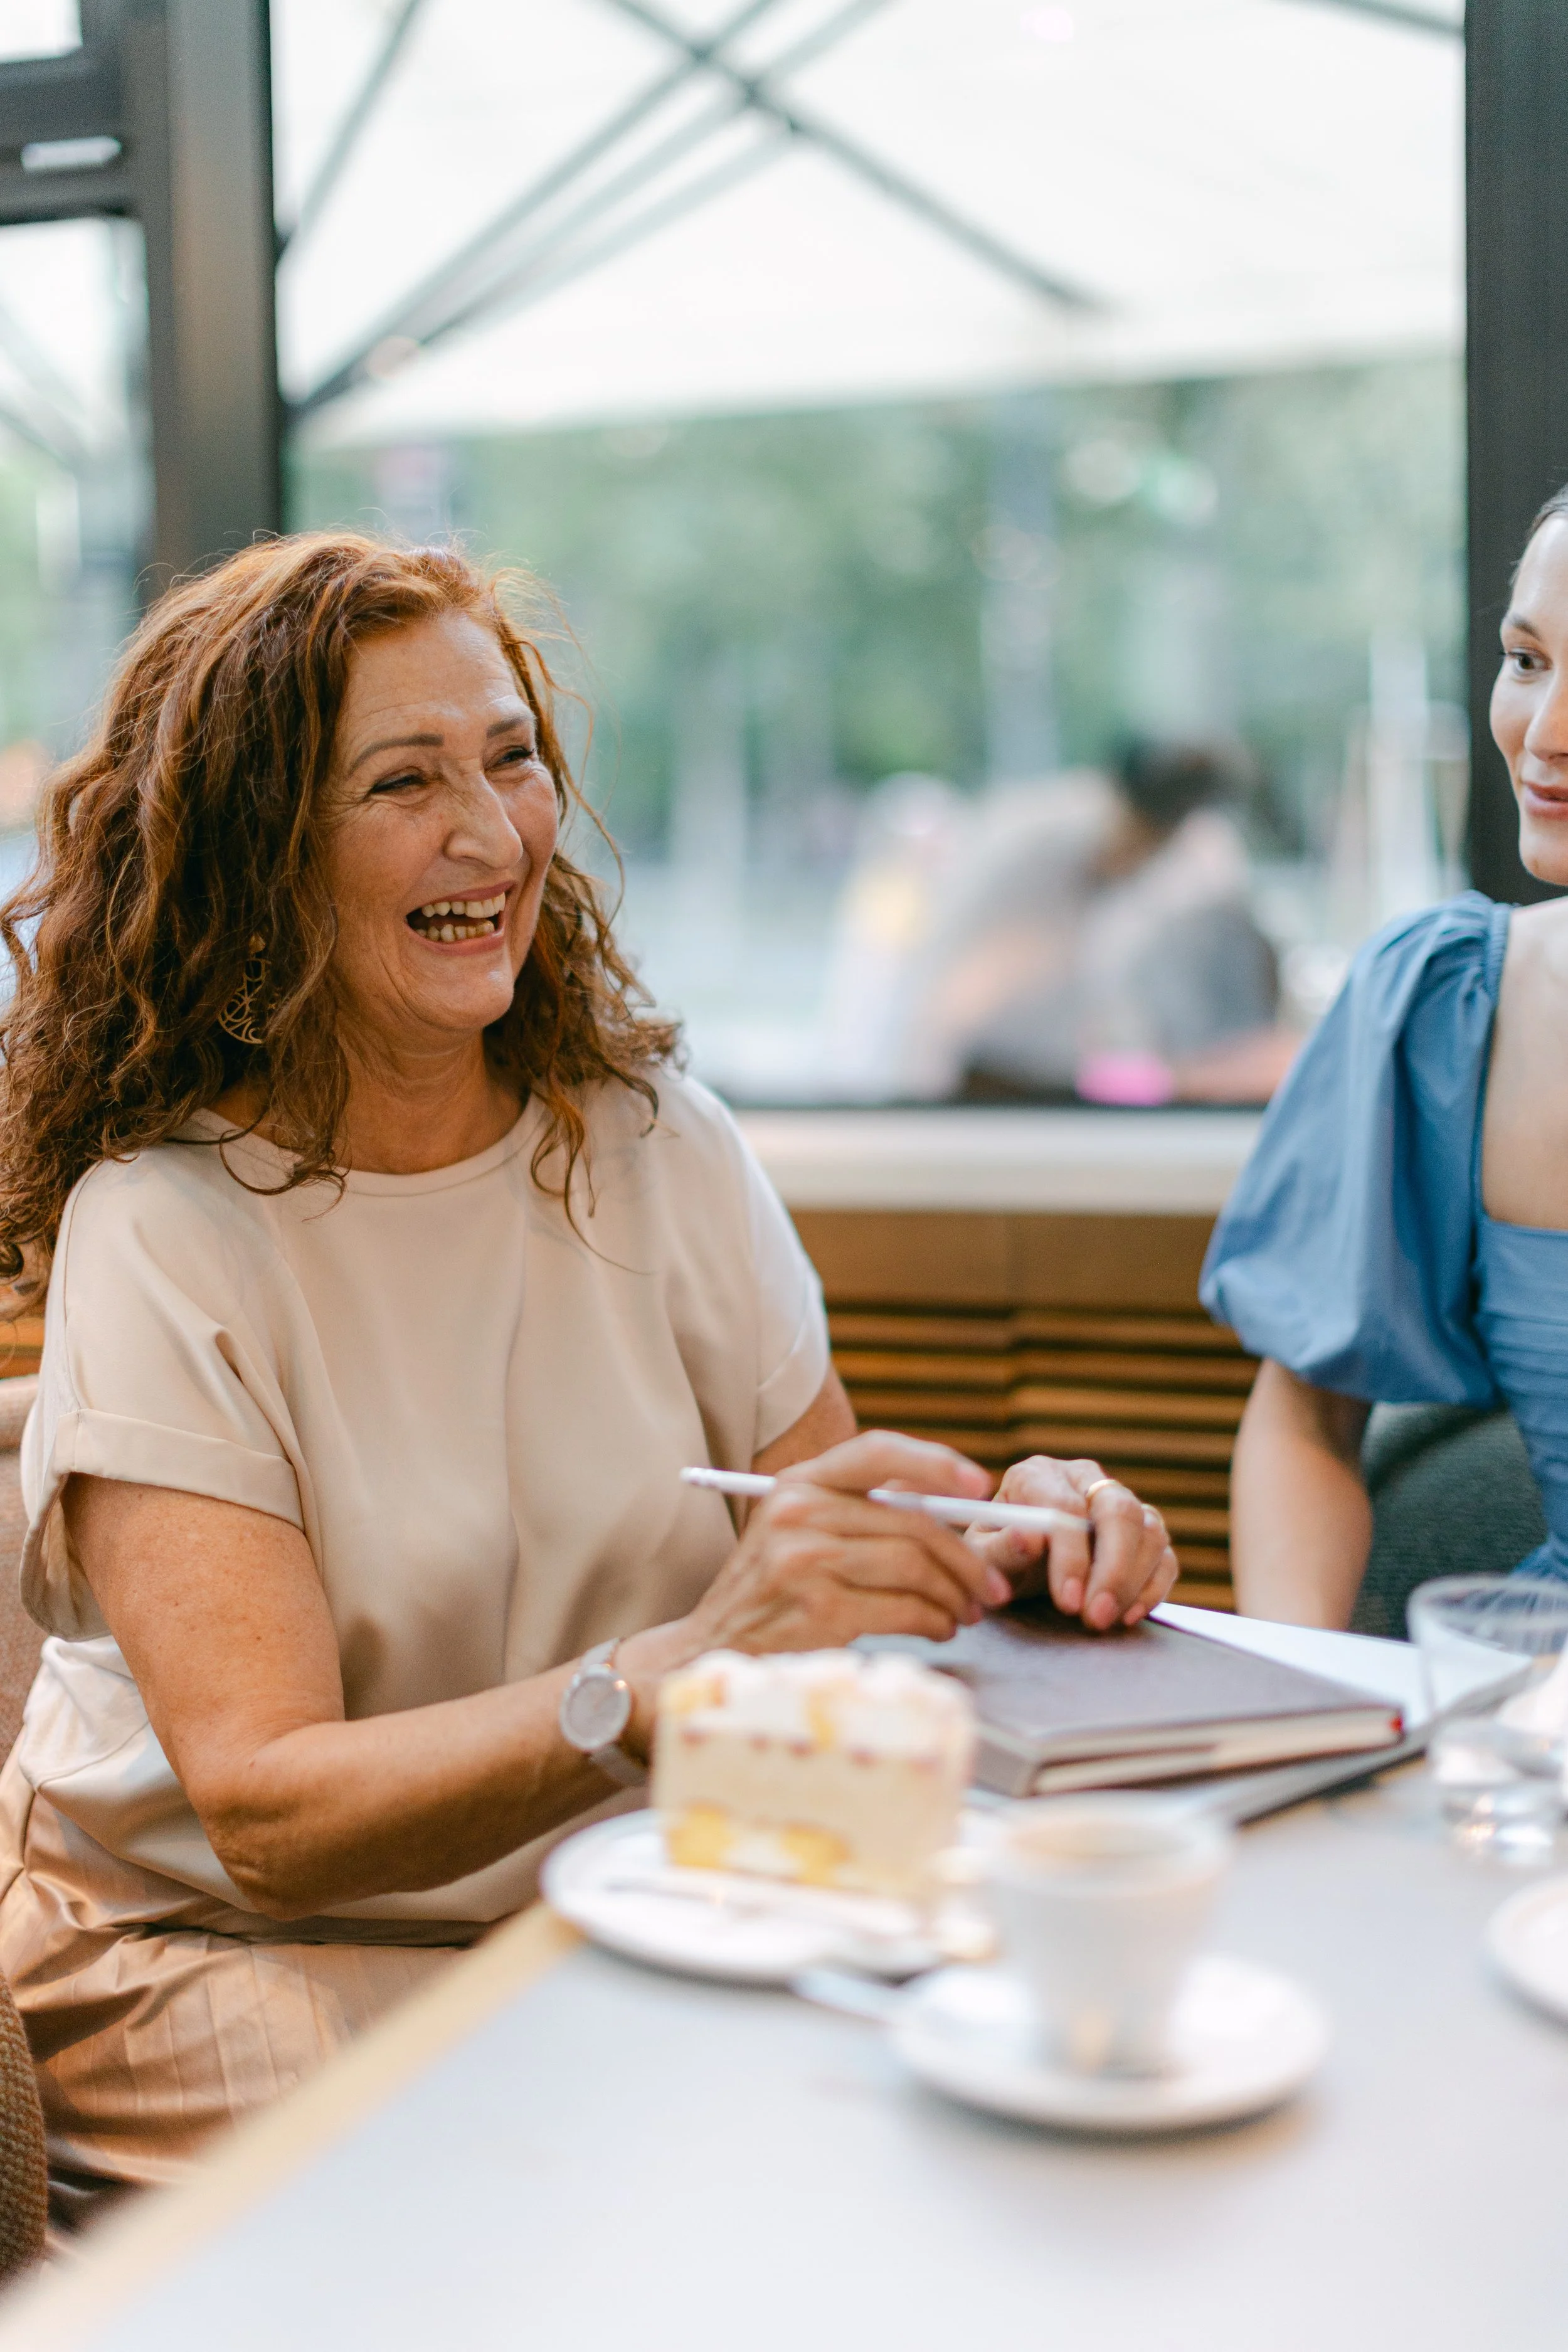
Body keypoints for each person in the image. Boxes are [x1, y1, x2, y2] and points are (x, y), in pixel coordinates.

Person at [0, 534, 1179, 2201]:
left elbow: (818, 1545)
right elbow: (265, 1810)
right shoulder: (165, 1226)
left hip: (616, 1897)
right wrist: (673, 1668)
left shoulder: (649, 1144)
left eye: (511, 756)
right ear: (255, 855)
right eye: (402, 780)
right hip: (216, 1943)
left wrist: (1010, 1530)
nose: (491, 832)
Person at [1202, 485, 1568, 1628]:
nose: (1545, 732)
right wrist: (1308, 1712)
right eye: (1527, 659)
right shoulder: (1451, 1001)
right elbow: (1308, 1417)